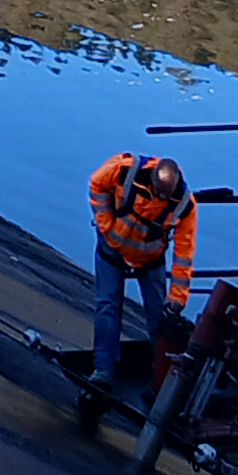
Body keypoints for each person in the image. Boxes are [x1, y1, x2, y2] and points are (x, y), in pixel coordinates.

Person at [85, 152, 198, 383]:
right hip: (112, 251)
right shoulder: (125, 171)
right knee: (108, 307)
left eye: (167, 193)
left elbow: (184, 252)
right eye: (159, 191)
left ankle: (161, 373)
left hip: (150, 259)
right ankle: (103, 369)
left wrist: (178, 297)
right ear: (152, 179)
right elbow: (96, 184)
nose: (162, 196)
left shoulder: (184, 205)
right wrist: (106, 227)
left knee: (159, 314)